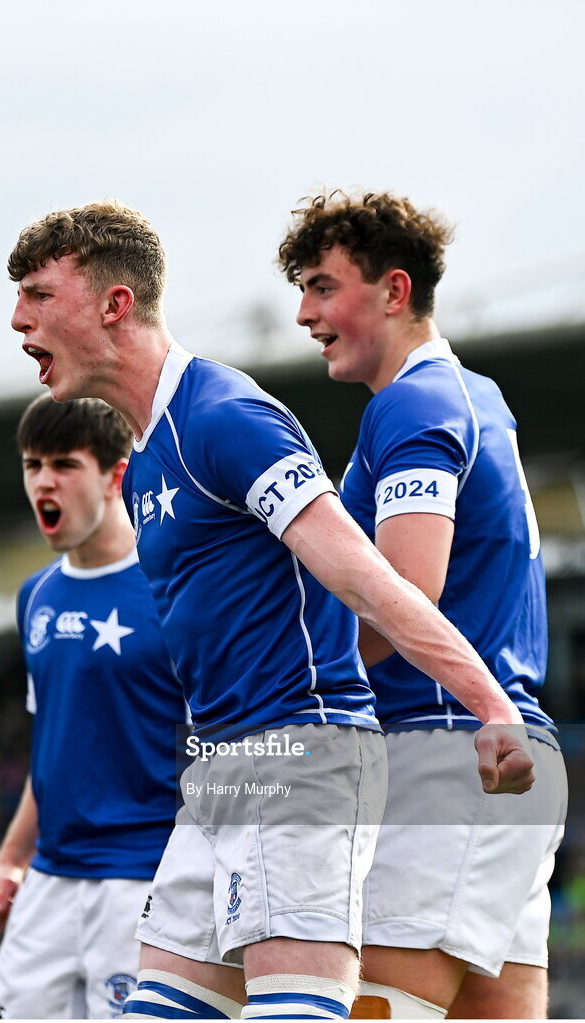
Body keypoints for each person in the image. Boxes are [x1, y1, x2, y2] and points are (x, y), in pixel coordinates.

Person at [8, 199, 535, 1022]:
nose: (17, 320)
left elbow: (371, 578)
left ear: (113, 304)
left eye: (38, 295)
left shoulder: (225, 418)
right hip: (219, 770)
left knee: (320, 1010)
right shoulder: (146, 457)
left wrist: (491, 705)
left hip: (300, 755)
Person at [278, 190, 568, 1019]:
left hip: (445, 756)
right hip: (501, 756)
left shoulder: (410, 403)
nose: (304, 312)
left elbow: (408, 593)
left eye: (322, 286)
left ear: (394, 291)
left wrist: (289, 687)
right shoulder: (476, 395)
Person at [0, 394, 188, 1019]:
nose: (43, 480)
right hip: (48, 881)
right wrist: (11, 860)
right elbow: (55, 749)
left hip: (145, 880)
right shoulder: (35, 597)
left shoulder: (175, 592)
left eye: (64, 464)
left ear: (116, 476)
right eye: (32, 465)